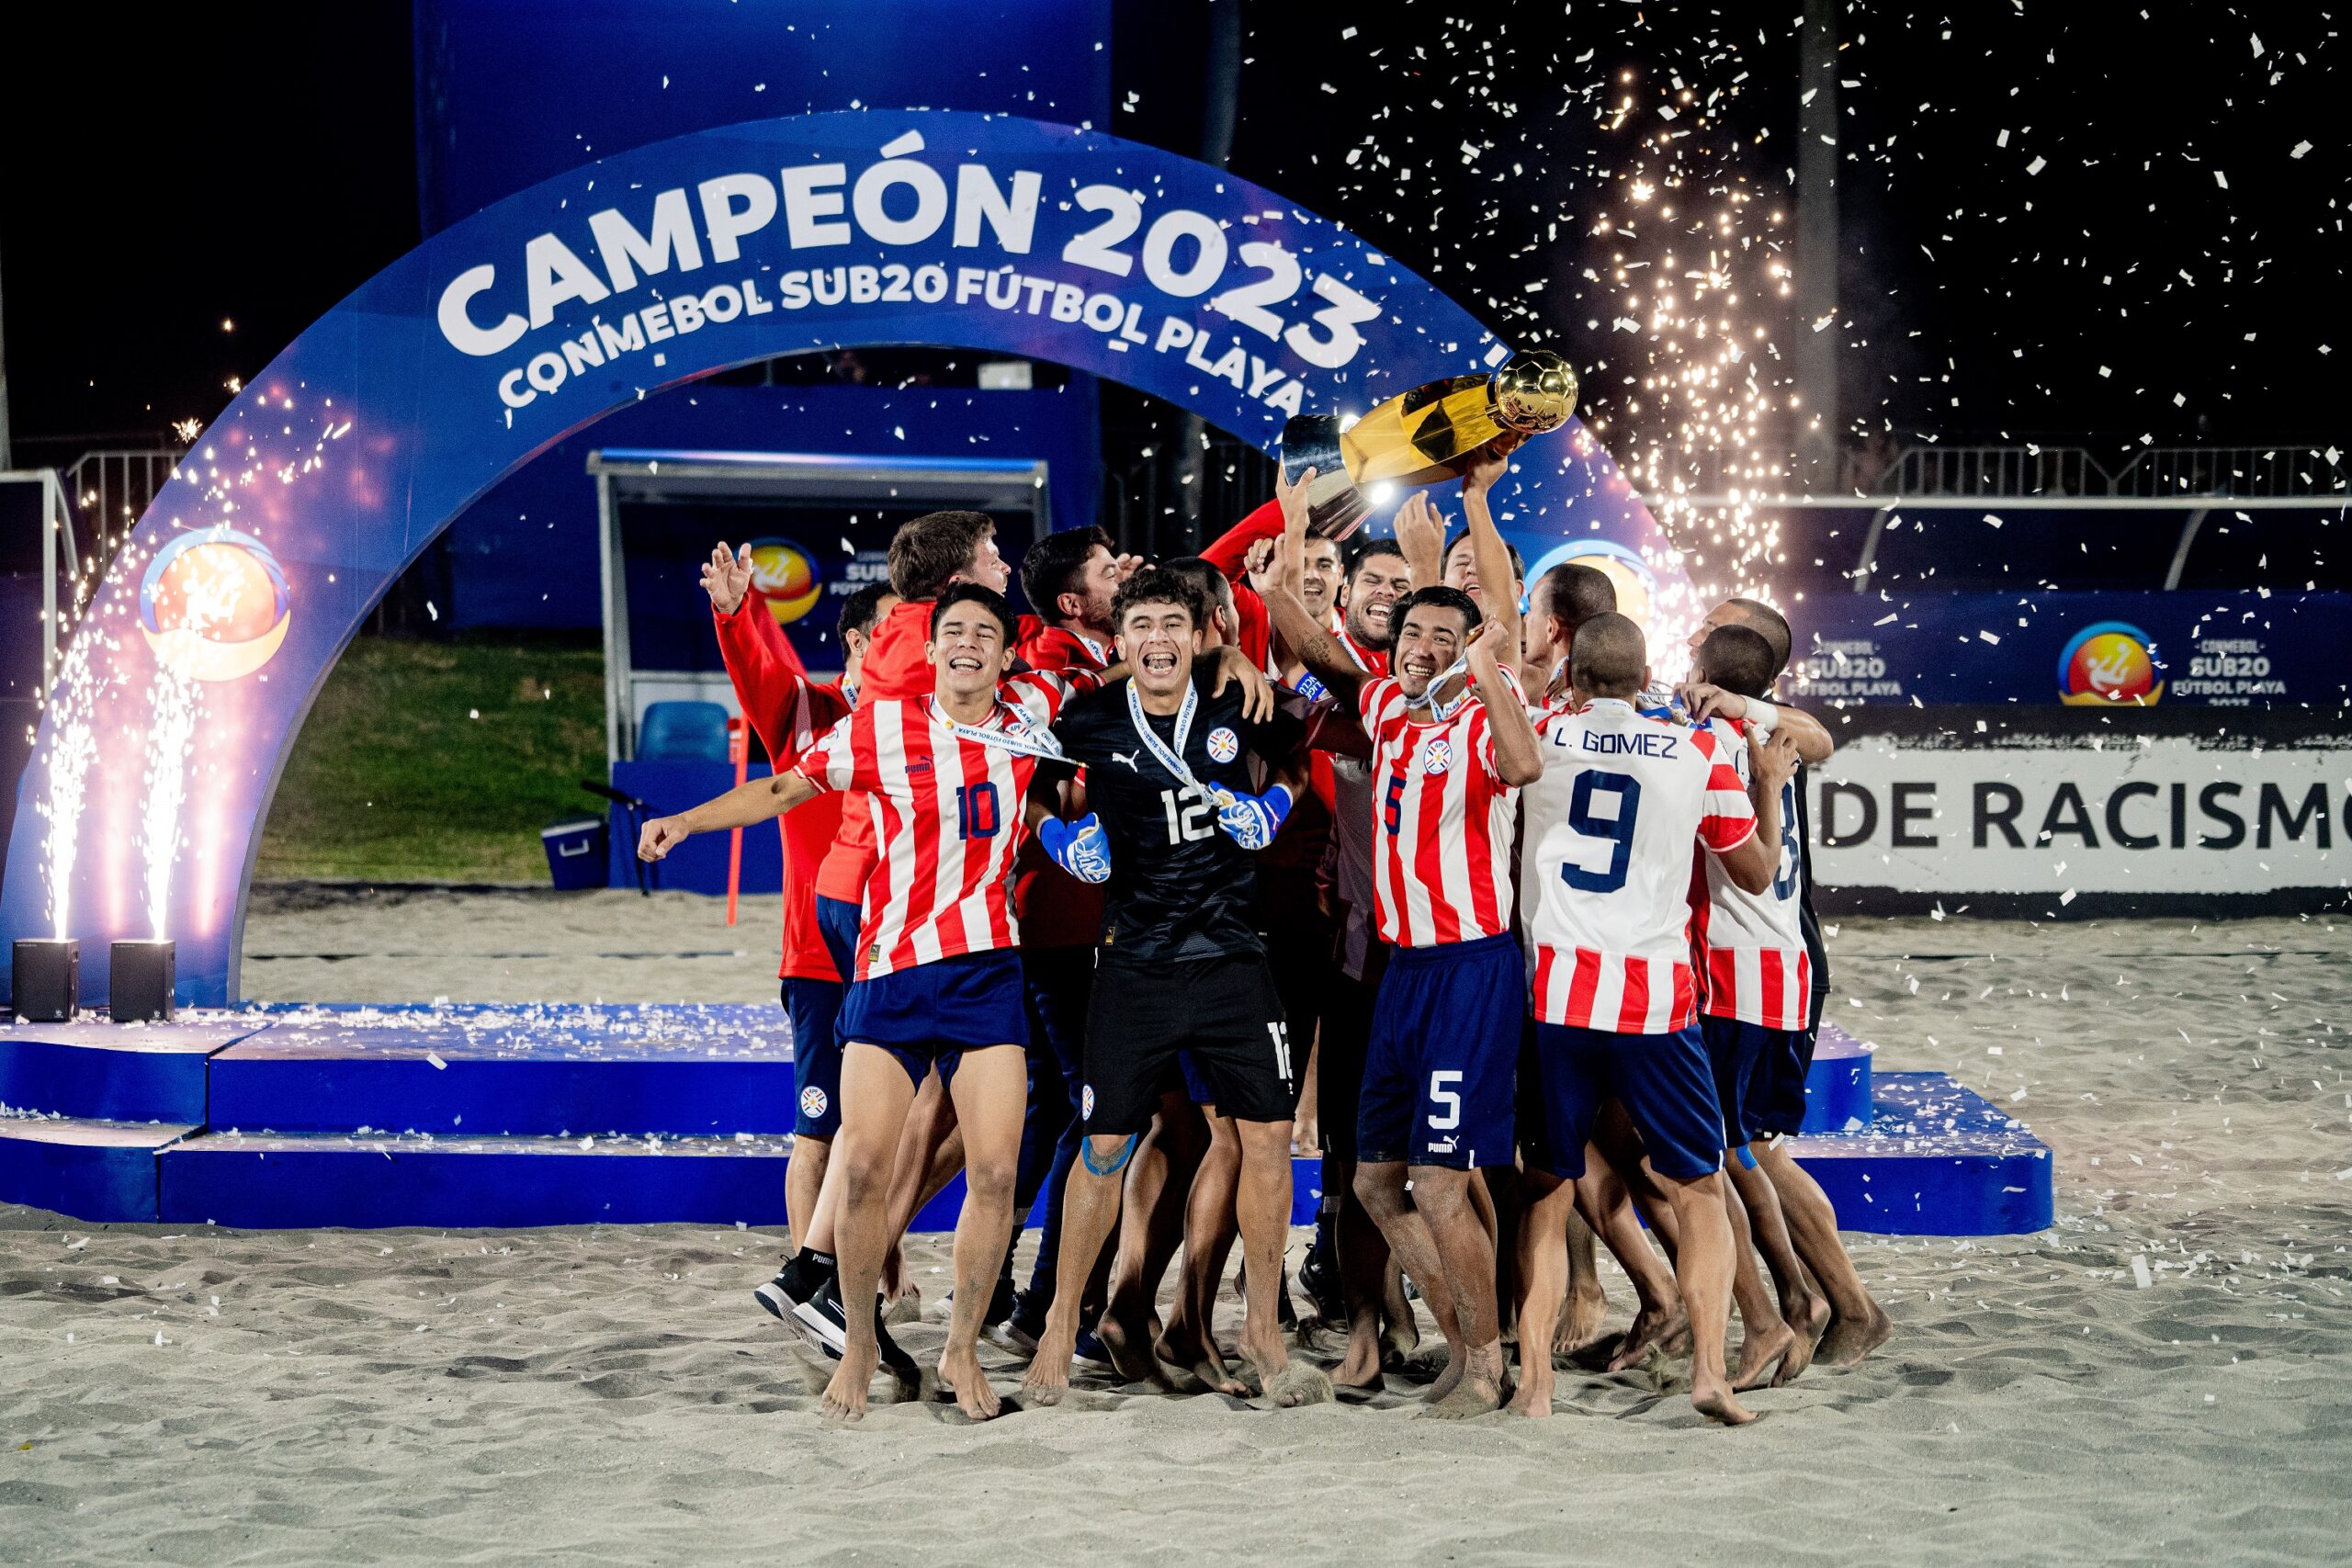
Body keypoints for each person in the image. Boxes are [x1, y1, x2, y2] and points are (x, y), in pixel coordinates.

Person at [640, 585, 1093, 1422]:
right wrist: (688, 821)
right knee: (859, 1172)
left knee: (994, 1171)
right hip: (889, 972)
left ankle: (960, 1350)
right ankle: (855, 1341)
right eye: (951, 630)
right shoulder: (881, 726)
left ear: (1004, 653)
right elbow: (782, 790)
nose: (966, 643)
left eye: (983, 634)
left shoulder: (1033, 708)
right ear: (932, 647)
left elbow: (1123, 662)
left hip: (986, 970)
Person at [1266, 455, 1543, 1417]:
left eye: (1440, 631)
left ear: (1469, 649)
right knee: (1379, 1182)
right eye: (1411, 629)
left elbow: (1523, 761)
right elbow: (1316, 649)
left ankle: (1487, 1358)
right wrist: (1285, 558)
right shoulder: (1386, 707)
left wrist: (1484, 653)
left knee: (1437, 1180)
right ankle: (1470, 1340)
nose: (1420, 641)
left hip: (1471, 970)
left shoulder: (1483, 715)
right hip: (1399, 973)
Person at [1018, 565, 1330, 1408]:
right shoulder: (1085, 716)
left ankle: (1262, 1323)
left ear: (1199, 635)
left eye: (1172, 623)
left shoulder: (1242, 702)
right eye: (1142, 624)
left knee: (1267, 1141)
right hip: (1134, 964)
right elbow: (1040, 788)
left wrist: (1275, 804)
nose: (1157, 639)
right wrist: (1060, 833)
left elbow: (1296, 763)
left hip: (1234, 959)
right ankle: (1057, 1324)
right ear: (1122, 640)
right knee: (1105, 1148)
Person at [1512, 611, 1781, 1424]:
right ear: (1646, 677)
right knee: (1699, 1190)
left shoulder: (1541, 735)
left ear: (1573, 675)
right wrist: (1766, 783)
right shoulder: (1698, 753)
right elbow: (1757, 874)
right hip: (1656, 1002)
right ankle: (1708, 1370)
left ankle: (1535, 1386)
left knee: (1549, 1195)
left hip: (1555, 995)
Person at [1680, 602, 1892, 1370]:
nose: (1696, 623)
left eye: (1712, 624)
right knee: (1742, 1151)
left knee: (1737, 1154)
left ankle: (1820, 1305)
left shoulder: (1733, 727)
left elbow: (1824, 739)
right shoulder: (1756, 729)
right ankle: (1805, 1304)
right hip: (1763, 965)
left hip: (1750, 967)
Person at [699, 547, 899, 1338]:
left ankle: (872, 1272)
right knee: (820, 1131)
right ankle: (806, 1287)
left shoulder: (923, 715)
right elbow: (762, 668)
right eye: (891, 630)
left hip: (899, 955)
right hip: (821, 963)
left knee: (885, 1129)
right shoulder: (810, 715)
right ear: (856, 643)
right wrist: (738, 611)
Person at [994, 527, 1129, 1350]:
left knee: (1050, 1114)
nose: (1130, 573)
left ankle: (1014, 1303)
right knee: (1098, 1111)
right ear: (1075, 599)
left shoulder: (1077, 657)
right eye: (1112, 570)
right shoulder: (1047, 663)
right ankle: (1056, 1306)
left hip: (1066, 918)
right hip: (1064, 921)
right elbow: (1063, 731)